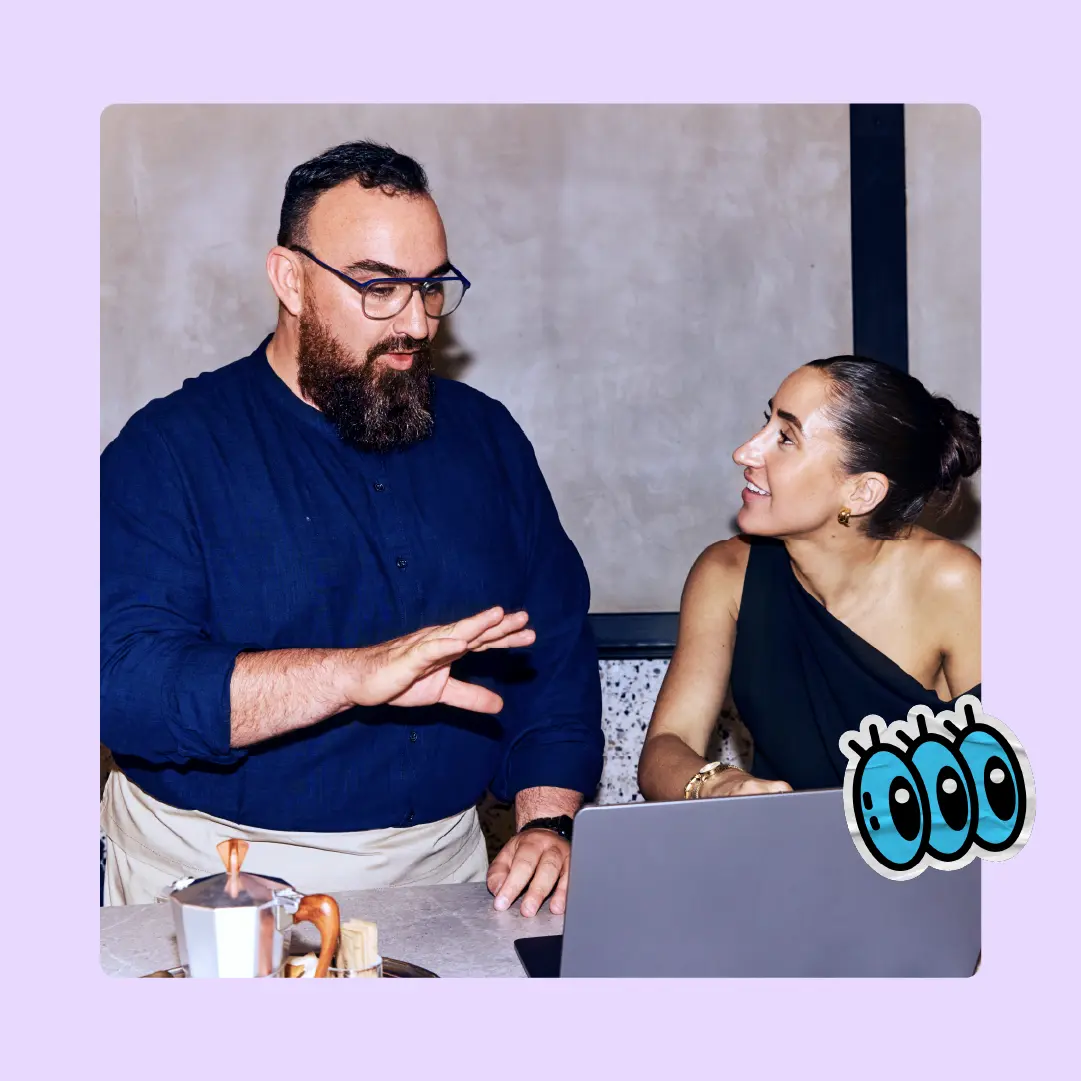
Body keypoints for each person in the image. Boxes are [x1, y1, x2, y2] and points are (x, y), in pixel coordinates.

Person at [100, 140, 603, 914]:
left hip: (448, 870)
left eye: (432, 287)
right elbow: (124, 686)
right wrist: (351, 676)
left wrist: (546, 821)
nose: (413, 321)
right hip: (216, 879)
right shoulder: (167, 450)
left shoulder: (489, 439)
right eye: (378, 287)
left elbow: (555, 655)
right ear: (290, 279)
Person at [638, 356, 981, 801]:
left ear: (861, 493)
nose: (744, 452)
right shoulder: (724, 575)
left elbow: (1006, 794)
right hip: (781, 855)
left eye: (784, 437)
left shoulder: (953, 583)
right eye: (767, 422)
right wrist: (718, 784)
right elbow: (667, 746)